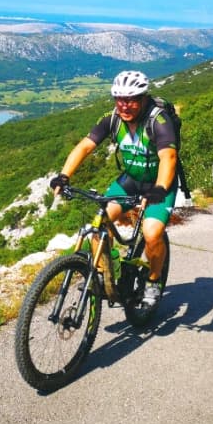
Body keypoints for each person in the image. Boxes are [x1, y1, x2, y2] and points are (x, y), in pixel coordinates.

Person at [50, 70, 178, 308]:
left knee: (151, 234)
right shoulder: (112, 119)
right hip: (130, 180)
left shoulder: (158, 120)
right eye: (119, 99)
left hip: (160, 184)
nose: (124, 106)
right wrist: (64, 175)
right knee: (98, 225)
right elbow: (85, 147)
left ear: (143, 98)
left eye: (130, 100)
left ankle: (153, 280)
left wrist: (159, 188)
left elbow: (168, 157)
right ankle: (109, 274)